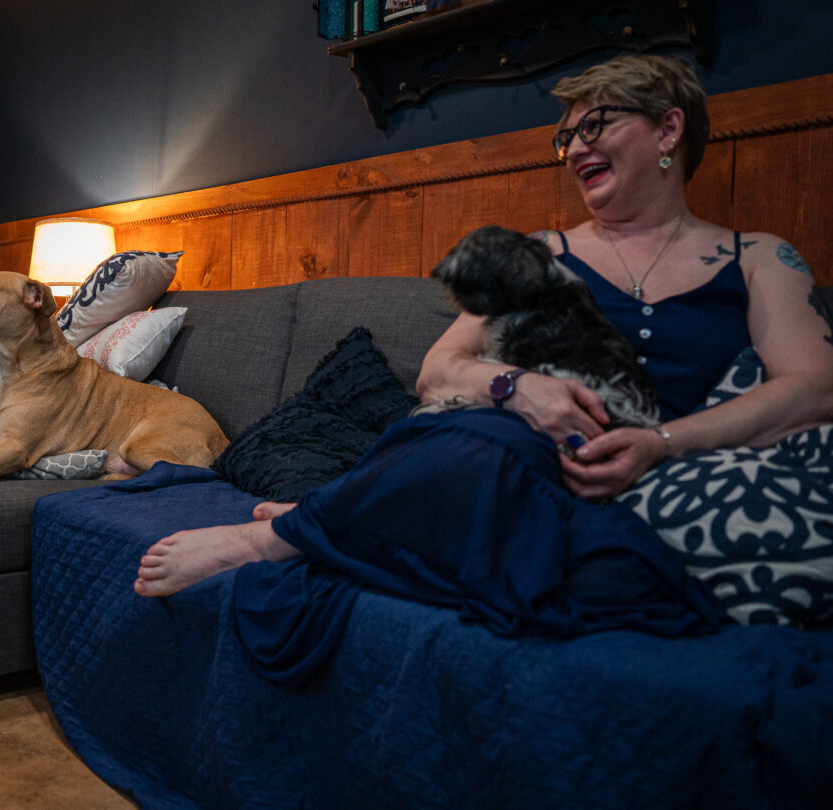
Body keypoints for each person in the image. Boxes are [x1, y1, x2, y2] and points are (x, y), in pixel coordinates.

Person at [133, 54, 833, 605]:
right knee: (466, 435)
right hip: (530, 459)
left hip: (675, 474)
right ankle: (290, 537)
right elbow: (440, 371)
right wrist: (518, 387)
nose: (575, 148)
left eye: (597, 125)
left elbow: (814, 388)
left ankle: (337, 520)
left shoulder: (759, 257)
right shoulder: (540, 255)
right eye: (566, 138)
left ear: (669, 130)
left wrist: (662, 443)